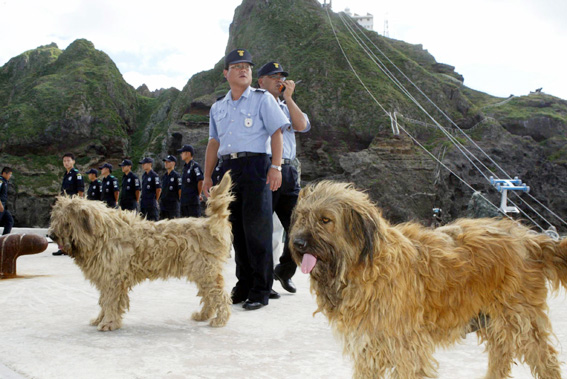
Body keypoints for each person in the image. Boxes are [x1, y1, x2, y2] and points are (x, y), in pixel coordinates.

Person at [203, 48, 290, 311]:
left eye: (248, 67)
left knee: (257, 229)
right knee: (237, 231)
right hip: (229, 168)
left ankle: (261, 289)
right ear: (226, 72)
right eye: (238, 66)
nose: (244, 70)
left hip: (256, 166)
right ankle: (243, 285)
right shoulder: (218, 106)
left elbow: (277, 133)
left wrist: (276, 167)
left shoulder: (263, 99)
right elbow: (213, 142)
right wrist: (208, 176)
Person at [257, 61, 311, 294]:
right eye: (273, 77)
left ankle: (284, 270)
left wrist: (288, 98)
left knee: (299, 227)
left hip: (289, 171)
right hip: (267, 168)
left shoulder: (287, 105)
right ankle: (263, 280)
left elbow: (302, 125)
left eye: (282, 77)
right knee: (263, 229)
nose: (279, 80)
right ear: (261, 81)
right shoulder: (258, 103)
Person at [54, 153, 85, 255]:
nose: (66, 163)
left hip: (72, 205)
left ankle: (73, 248)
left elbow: (80, 191)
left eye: (68, 160)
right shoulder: (66, 175)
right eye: (64, 161)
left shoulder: (77, 174)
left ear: (73, 162)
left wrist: (78, 205)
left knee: (73, 227)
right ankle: (63, 248)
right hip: (64, 206)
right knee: (63, 227)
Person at [178, 145, 204, 218]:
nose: (181, 155)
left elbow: (200, 181)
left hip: (192, 201)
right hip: (184, 202)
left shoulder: (195, 166)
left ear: (188, 154)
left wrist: (198, 194)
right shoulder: (185, 168)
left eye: (182, 153)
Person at [160, 155, 181, 219]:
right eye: (165, 162)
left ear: (173, 163)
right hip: (164, 205)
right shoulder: (164, 176)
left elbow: (180, 190)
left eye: (168, 162)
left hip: (172, 206)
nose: (166, 163)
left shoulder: (176, 176)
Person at [0, 167, 14, 235]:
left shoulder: (5, 182)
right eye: (9, 174)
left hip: (4, 206)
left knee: (9, 220)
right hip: (0, 204)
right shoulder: (1, 181)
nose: (10, 176)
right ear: (4, 173)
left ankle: (4, 238)